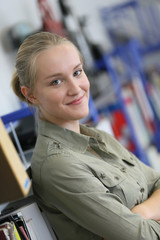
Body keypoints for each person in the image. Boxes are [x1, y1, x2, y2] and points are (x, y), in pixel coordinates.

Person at [11, 31, 160, 240]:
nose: (76, 89)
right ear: (31, 95)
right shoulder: (58, 166)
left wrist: (142, 213)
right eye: (56, 82)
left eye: (77, 72)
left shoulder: (99, 137)